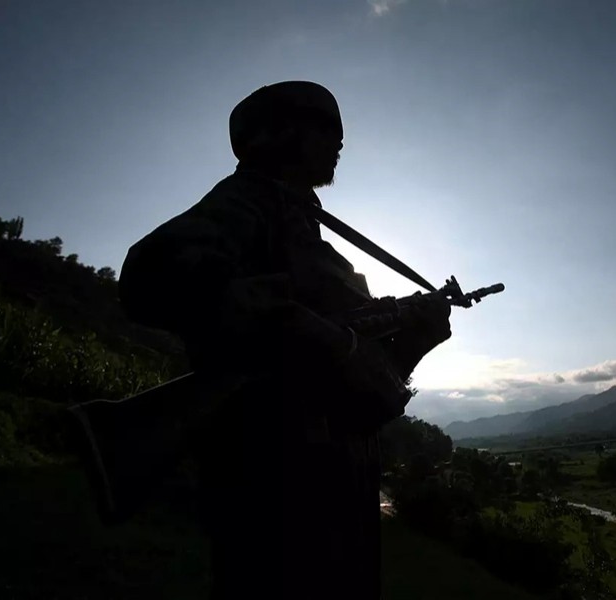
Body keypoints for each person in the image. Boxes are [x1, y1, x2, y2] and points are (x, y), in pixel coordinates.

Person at [117, 81, 452, 599]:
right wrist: (311, 328)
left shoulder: (303, 227)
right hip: (273, 472)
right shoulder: (247, 202)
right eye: (322, 128)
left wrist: (411, 341)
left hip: (334, 474)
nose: (338, 142)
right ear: (271, 135)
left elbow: (352, 385)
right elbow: (149, 275)